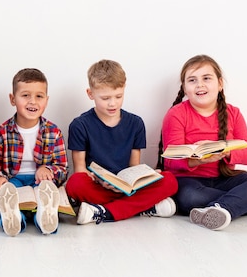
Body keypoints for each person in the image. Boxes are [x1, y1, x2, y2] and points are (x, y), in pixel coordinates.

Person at [160, 54, 247, 231]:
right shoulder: (176, 114)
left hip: (224, 178)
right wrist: (198, 160)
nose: (200, 85)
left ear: (220, 84)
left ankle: (220, 208)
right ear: (184, 87)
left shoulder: (233, 113)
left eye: (206, 78)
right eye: (192, 80)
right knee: (190, 198)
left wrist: (227, 152)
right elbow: (170, 159)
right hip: (189, 181)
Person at [66, 59, 178, 226]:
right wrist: (100, 181)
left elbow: (134, 166)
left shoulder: (136, 123)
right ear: (90, 94)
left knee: (170, 180)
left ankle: (103, 212)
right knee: (75, 184)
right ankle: (145, 207)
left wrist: (145, 178)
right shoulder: (79, 125)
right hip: (99, 186)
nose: (113, 103)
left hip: (128, 187)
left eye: (119, 96)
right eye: (105, 98)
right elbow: (80, 171)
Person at [0, 68, 68, 236]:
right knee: (7, 193)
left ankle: (45, 218)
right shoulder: (1, 133)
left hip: (40, 181)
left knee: (44, 190)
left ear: (47, 100)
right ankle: (14, 219)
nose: (33, 102)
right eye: (25, 95)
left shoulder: (53, 132)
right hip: (13, 179)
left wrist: (49, 170)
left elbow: (62, 168)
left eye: (39, 96)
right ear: (12, 99)